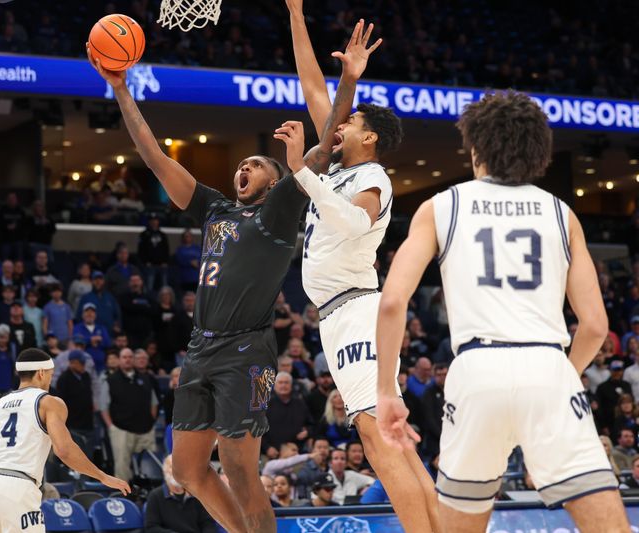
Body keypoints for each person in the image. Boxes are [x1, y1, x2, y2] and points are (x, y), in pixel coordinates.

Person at [87, 20, 365, 530]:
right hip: (200, 347)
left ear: (275, 179)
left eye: (255, 164)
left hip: (245, 349)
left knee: (241, 469)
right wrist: (121, 89)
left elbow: (327, 147)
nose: (243, 167)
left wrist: (348, 81)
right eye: (241, 164)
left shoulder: (282, 207)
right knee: (190, 469)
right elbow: (152, 155)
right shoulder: (213, 207)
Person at [375, 91, 630, 532]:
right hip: (548, 365)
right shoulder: (561, 212)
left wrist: (385, 392)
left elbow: (393, 301)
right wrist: (561, 377)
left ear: (475, 147)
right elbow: (595, 326)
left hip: (476, 370)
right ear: (538, 151)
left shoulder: (440, 206)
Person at [284, 4, 438, 529]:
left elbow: (352, 224)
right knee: (385, 435)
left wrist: (301, 175)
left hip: (355, 309)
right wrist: (296, 13)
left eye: (350, 121)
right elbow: (312, 87)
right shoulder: (338, 165)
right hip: (338, 313)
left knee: (375, 434)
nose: (339, 123)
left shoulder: (373, 178)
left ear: (368, 137)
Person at [0, 348, 129, 531]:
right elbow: (64, 451)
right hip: (18, 486)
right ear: (41, 373)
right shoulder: (48, 402)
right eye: (51, 375)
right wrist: (102, 476)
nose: (50, 380)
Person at [105, 348, 158, 481]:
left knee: (151, 460)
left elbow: (154, 402)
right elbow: (103, 406)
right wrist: (111, 425)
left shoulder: (145, 378)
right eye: (124, 357)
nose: (127, 359)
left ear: (133, 360)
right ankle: (124, 495)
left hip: (145, 428)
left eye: (130, 357)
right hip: (121, 429)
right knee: (122, 465)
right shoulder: (110, 380)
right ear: (119, 360)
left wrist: (151, 421)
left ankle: (149, 490)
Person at [145, 455, 216, 533]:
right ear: (164, 471)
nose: (176, 471)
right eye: (171, 467)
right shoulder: (155, 496)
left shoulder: (196, 494)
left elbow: (208, 523)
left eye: (180, 468)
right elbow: (151, 528)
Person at [76, 270, 121, 335]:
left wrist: (117, 326)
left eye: (100, 279)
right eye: (95, 279)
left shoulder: (110, 297)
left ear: (103, 281)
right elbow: (79, 316)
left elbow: (117, 315)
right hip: (91, 335)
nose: (98, 281)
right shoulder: (86, 298)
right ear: (92, 281)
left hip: (109, 335)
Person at [73, 304, 110, 373]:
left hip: (101, 366)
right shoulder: (77, 328)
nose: (89, 314)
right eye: (87, 311)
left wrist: (99, 341)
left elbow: (108, 343)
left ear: (95, 315)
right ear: (82, 314)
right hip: (83, 366)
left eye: (92, 312)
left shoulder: (101, 328)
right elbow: (75, 342)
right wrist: (91, 340)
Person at [138, 215, 170, 292]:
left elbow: (166, 249)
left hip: (162, 264)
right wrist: (145, 262)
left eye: (155, 220)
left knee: (164, 287)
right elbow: (141, 250)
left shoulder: (162, 235)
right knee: (149, 286)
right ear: (149, 222)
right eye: (152, 220)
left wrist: (165, 261)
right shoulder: (144, 234)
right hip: (149, 265)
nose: (154, 222)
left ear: (158, 221)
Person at [0, 192, 26, 260]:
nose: (12, 200)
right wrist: (6, 227)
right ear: (7, 200)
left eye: (13, 198)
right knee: (5, 260)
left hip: (18, 240)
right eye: (10, 199)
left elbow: (25, 225)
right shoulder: (2, 210)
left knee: (19, 261)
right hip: (5, 240)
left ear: (16, 200)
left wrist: (17, 227)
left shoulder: (21, 211)